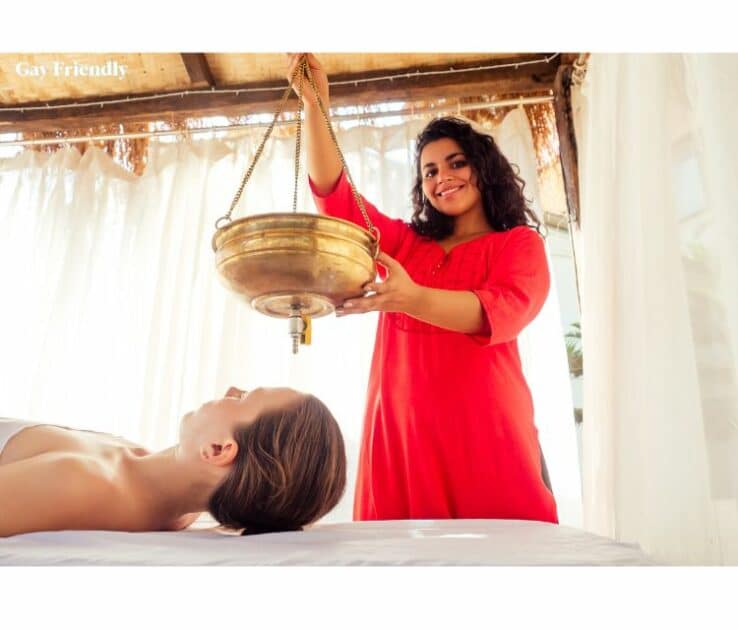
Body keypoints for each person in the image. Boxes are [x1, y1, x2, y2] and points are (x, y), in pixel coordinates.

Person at [287, 53, 557, 524]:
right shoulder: (407, 245)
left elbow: (499, 312)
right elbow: (337, 199)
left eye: (456, 163)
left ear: (484, 168)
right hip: (401, 440)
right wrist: (315, 104)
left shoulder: (518, 244)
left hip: (487, 437)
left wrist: (412, 298)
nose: (441, 177)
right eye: (429, 171)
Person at [0, 387, 346, 537]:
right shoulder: (180, 505)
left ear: (217, 450)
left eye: (242, 398)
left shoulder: (79, 483)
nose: (228, 390)